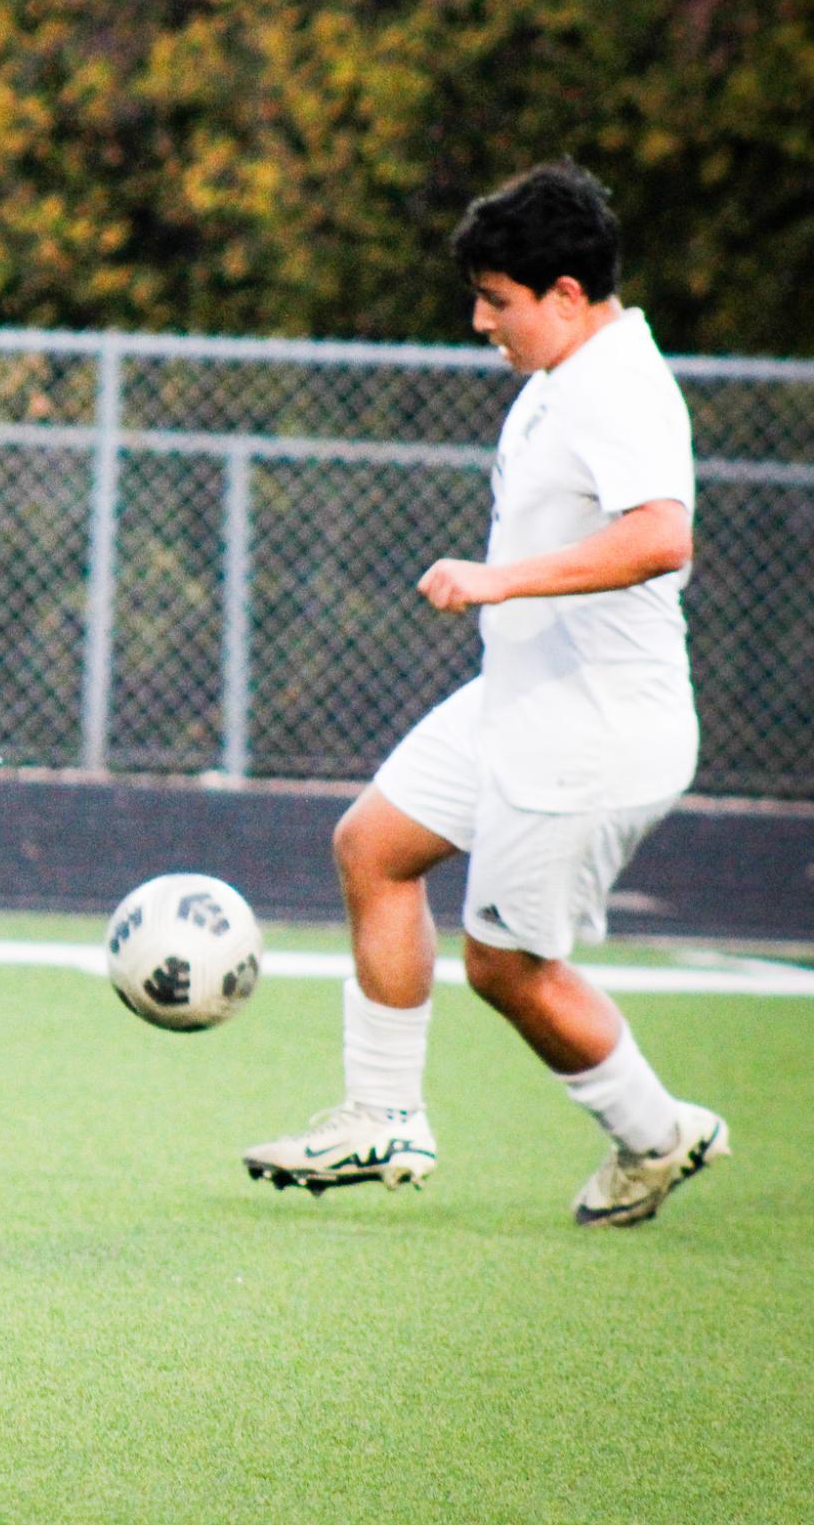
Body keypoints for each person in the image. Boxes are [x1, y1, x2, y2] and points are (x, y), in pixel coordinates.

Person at [243, 161, 728, 1227]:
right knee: (371, 846)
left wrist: (494, 579)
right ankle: (380, 1115)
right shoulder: (561, 376)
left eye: (496, 300)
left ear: (565, 295)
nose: (477, 321)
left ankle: (654, 1135)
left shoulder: (616, 384)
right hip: (521, 693)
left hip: (592, 730)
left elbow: (660, 535)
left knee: (506, 967)